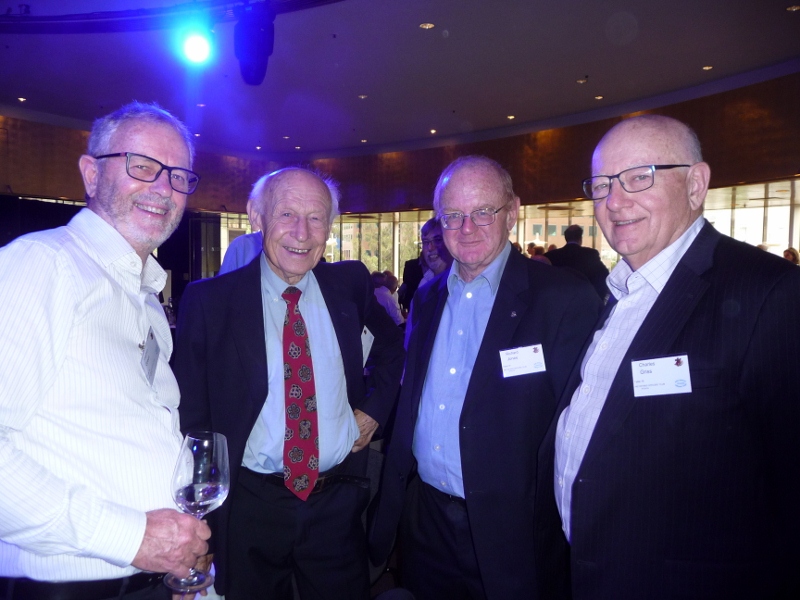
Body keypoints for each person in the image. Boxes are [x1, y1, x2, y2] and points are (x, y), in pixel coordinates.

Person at [551, 115, 800, 599]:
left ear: (695, 184)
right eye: (601, 185)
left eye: (638, 177)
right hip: (589, 573)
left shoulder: (770, 293)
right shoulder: (618, 292)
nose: (614, 201)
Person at [0, 102, 211, 600]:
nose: (163, 188)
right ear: (91, 174)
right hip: (66, 587)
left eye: (178, 176)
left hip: (147, 579)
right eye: (143, 166)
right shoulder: (42, 264)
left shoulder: (146, 298)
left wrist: (176, 554)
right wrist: (132, 537)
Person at [369, 156, 601, 600]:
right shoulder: (428, 297)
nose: (467, 228)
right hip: (426, 520)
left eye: (483, 212)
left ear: (512, 212)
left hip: (514, 530)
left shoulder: (562, 299)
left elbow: (582, 430)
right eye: (453, 215)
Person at [172, 167, 405, 600]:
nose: (302, 232)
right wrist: (202, 526)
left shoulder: (349, 284)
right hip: (251, 506)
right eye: (287, 214)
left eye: (316, 218)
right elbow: (193, 420)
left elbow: (395, 346)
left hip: (336, 501)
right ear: (256, 216)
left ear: (329, 227)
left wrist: (374, 409)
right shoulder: (211, 302)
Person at [545, 224, 610, 299]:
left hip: (557, 299)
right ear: (580, 238)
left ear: (566, 238)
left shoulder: (551, 256)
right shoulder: (590, 254)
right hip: (584, 299)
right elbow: (603, 276)